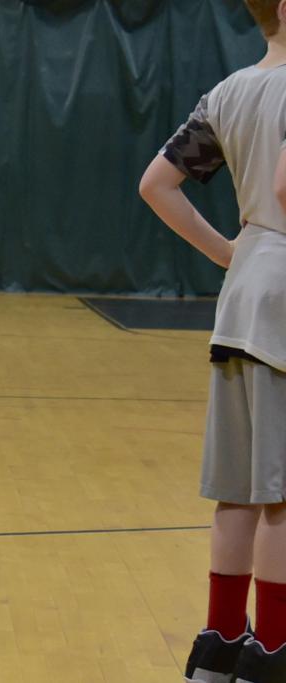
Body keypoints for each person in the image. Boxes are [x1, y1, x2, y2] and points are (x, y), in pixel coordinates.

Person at [139, 1, 286, 680]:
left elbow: (156, 184)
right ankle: (273, 652)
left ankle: (220, 648)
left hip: (245, 295)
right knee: (281, 495)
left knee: (239, 489)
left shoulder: (229, 91)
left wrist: (233, 254)